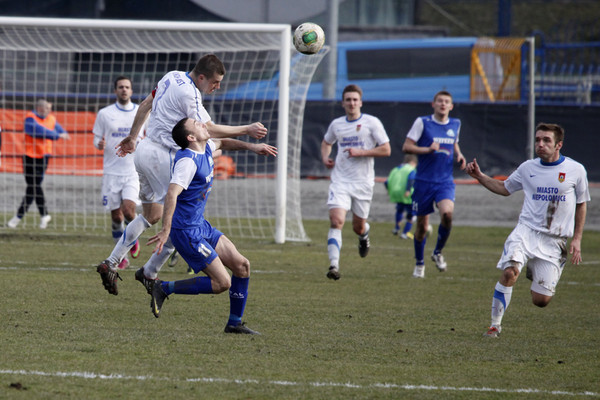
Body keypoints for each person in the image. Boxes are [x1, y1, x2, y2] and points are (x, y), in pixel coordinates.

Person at [96, 54, 267, 303]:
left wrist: (133, 137)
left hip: (144, 150)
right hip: (165, 156)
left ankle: (112, 262)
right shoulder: (191, 95)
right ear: (202, 77)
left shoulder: (172, 76)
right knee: (179, 221)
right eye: (215, 82)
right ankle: (149, 273)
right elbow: (210, 130)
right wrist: (247, 129)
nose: (217, 87)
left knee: (151, 215)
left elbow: (145, 104)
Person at [147, 118, 277, 334]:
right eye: (195, 123)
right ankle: (164, 287)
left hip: (200, 225)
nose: (202, 123)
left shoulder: (206, 147)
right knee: (221, 283)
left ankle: (234, 323)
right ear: (191, 137)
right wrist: (165, 230)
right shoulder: (188, 162)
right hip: (186, 232)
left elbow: (223, 143)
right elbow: (171, 194)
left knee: (242, 266)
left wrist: (252, 147)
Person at [466, 123, 590, 338]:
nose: (540, 144)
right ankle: (495, 326)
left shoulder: (576, 170)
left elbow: (581, 204)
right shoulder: (527, 168)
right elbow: (504, 188)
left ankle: (534, 268)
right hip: (526, 231)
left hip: (554, 240)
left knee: (541, 301)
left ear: (559, 145)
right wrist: (480, 176)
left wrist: (577, 238)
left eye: (546, 140)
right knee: (509, 272)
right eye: (538, 140)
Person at [321, 84, 391, 280]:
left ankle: (364, 235)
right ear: (343, 103)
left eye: (355, 100)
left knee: (358, 227)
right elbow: (326, 142)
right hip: (340, 180)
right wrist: (325, 157)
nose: (351, 103)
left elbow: (386, 149)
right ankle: (334, 265)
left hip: (363, 183)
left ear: (360, 102)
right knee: (336, 221)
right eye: (348, 100)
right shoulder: (336, 124)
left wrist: (361, 152)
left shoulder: (372, 122)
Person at [402, 90, 466, 278]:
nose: (443, 104)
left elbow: (454, 143)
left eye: (446, 101)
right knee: (422, 227)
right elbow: (406, 146)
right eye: (440, 101)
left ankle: (437, 252)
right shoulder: (422, 122)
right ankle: (419, 264)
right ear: (433, 104)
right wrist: (427, 149)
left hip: (445, 182)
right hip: (423, 182)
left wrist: (459, 154)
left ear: (451, 106)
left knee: (447, 214)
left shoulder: (455, 124)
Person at [93, 76, 144, 270]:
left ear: (131, 90)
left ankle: (132, 240)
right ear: (115, 90)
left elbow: (148, 137)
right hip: (111, 172)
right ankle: (122, 256)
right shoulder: (105, 114)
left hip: (133, 171)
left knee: (129, 210)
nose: (124, 89)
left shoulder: (141, 112)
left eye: (127, 87)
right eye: (121, 87)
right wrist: (99, 144)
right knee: (116, 217)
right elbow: (96, 139)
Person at [8, 99, 69, 229]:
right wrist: (56, 135)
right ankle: (42, 215)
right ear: (40, 108)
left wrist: (59, 133)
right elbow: (37, 131)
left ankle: (19, 216)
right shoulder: (30, 117)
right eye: (48, 108)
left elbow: (63, 132)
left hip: (44, 157)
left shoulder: (51, 119)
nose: (50, 111)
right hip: (29, 156)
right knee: (33, 186)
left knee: (33, 186)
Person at [385, 154, 417, 239]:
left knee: (399, 210)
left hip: (396, 192)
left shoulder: (395, 169)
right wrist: (408, 190)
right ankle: (405, 233)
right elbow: (411, 179)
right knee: (412, 214)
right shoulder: (410, 169)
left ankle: (396, 228)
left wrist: (388, 189)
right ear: (412, 162)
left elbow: (386, 181)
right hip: (408, 194)